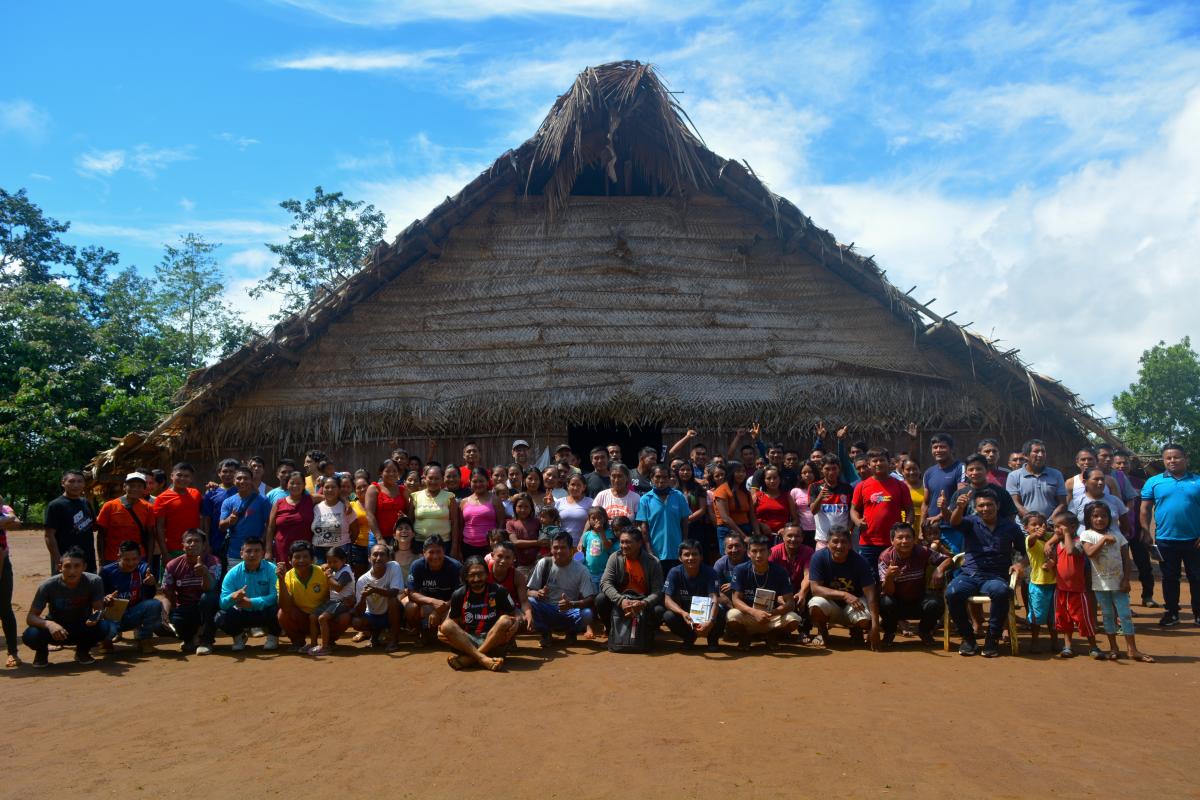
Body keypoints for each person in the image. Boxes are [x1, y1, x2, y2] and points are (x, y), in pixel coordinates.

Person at [944, 487, 1027, 657]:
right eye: (981, 506)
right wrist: (959, 507)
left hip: (996, 576)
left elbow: (1026, 552)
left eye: (989, 505)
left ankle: (992, 639)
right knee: (953, 593)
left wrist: (1020, 565)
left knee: (1001, 592)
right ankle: (968, 639)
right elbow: (954, 523)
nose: (985, 509)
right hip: (970, 574)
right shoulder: (970, 522)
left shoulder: (1010, 527)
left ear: (997, 505)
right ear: (976, 507)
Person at [1079, 502, 1154, 662]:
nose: (1100, 519)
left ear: (1109, 518)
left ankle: (1132, 649)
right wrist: (1104, 539)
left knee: (1125, 615)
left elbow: (1126, 559)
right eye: (1095, 516)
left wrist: (1126, 580)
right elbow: (1090, 553)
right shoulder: (1087, 535)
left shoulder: (1118, 535)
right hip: (1100, 584)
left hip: (1119, 583)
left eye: (1104, 516)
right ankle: (1114, 647)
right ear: (1089, 518)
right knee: (1107, 615)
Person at [1139, 443, 1200, 627]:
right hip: (1165, 539)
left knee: (1197, 577)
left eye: (1176, 457)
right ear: (1164, 460)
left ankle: (1198, 613)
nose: (1172, 460)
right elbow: (1145, 509)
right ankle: (1172, 613)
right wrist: (1145, 532)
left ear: (1185, 459)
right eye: (1168, 458)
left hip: (1195, 540)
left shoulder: (1197, 481)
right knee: (1169, 578)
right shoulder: (1154, 482)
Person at [22, 547, 106, 667]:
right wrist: (50, 625)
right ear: (60, 567)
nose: (72, 571)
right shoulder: (47, 585)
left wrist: (95, 617)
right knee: (30, 635)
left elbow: (98, 609)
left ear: (84, 567)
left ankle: (82, 651)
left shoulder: (94, 581)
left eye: (77, 566)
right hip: (56, 630)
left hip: (81, 626)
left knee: (104, 627)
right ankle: (41, 652)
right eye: (67, 566)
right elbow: (31, 617)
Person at [876, 522, 950, 647]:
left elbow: (948, 559)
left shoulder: (922, 551)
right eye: (900, 538)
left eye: (908, 537)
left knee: (936, 603)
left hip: (918, 601)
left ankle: (925, 631)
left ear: (914, 539)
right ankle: (890, 632)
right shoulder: (885, 557)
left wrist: (939, 569)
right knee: (884, 602)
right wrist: (889, 576)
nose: (905, 541)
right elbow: (888, 592)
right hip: (896, 603)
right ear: (892, 540)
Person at [440, 556, 518, 671]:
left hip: (493, 640)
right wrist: (443, 631)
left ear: (487, 574)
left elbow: (514, 614)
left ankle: (471, 658)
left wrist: (516, 622)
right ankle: (484, 658)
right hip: (468, 641)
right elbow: (452, 621)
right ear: (466, 577)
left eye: (480, 574)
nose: (476, 579)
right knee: (446, 625)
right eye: (471, 575)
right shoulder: (459, 594)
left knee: (506, 620)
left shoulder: (499, 590)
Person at [807, 527, 880, 648]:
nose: (839, 546)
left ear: (850, 544)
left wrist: (875, 627)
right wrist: (845, 595)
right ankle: (823, 632)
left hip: (854, 604)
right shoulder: (818, 557)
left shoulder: (860, 561)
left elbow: (870, 595)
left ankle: (857, 631)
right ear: (827, 542)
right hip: (830, 603)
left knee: (864, 619)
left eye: (844, 542)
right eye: (835, 541)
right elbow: (815, 589)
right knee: (815, 605)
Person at [727, 534, 803, 649]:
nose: (758, 555)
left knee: (794, 619)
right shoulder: (740, 570)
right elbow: (735, 599)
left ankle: (772, 636)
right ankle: (745, 636)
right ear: (748, 553)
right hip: (748, 616)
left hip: (771, 617)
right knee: (732, 615)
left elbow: (790, 603)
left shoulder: (780, 572)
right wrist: (754, 612)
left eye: (762, 551)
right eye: (754, 551)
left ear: (769, 553)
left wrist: (772, 613)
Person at [851, 449, 914, 575]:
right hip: (868, 542)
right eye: (874, 461)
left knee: (893, 576)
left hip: (893, 542)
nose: (878, 463)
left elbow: (909, 510)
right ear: (869, 464)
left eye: (882, 460)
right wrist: (858, 521)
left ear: (889, 462)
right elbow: (853, 510)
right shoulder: (861, 486)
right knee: (869, 577)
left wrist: (906, 526)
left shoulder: (900, 486)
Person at [526, 531, 595, 646]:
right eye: (556, 547)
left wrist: (572, 604)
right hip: (547, 609)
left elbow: (590, 598)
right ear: (551, 548)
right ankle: (545, 632)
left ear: (571, 549)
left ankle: (571, 632)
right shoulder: (544, 563)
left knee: (587, 613)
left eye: (563, 547)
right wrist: (537, 593)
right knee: (530, 601)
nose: (559, 551)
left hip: (570, 611)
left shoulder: (581, 570)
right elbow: (528, 591)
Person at [596, 526, 665, 642]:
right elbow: (605, 583)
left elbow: (658, 590)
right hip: (621, 600)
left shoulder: (653, 562)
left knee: (659, 610)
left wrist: (644, 603)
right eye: (622, 542)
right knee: (600, 599)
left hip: (643, 602)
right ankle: (610, 630)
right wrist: (621, 600)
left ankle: (647, 632)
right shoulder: (614, 558)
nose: (623, 546)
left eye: (628, 542)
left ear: (639, 543)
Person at [1043, 513, 1097, 658]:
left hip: (1078, 591)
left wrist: (1066, 533)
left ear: (1072, 527)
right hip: (1061, 590)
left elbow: (1071, 551)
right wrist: (1049, 563)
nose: (1055, 530)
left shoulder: (1079, 542)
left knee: (1084, 619)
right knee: (1064, 620)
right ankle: (1068, 646)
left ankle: (1093, 646)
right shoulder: (1057, 544)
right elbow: (1055, 560)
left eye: (1059, 526)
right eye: (1054, 527)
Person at [98, 540, 165, 654]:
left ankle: (144, 640)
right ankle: (106, 642)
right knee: (107, 627)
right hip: (113, 616)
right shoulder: (106, 572)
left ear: (140, 557)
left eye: (134, 559)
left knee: (155, 604)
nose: (131, 563)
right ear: (118, 557)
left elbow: (149, 596)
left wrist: (151, 584)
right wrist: (106, 599)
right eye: (126, 559)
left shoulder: (144, 569)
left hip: (134, 614)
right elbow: (96, 600)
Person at [162, 529, 221, 655]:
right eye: (189, 541)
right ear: (182, 545)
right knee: (161, 623)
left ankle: (206, 641)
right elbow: (167, 595)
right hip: (184, 607)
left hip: (206, 607)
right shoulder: (172, 565)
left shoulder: (213, 561)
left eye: (197, 541)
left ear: (204, 545)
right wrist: (165, 614)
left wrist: (205, 573)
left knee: (208, 598)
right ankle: (189, 638)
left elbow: (209, 588)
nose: (192, 544)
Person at [216, 536, 280, 652]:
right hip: (242, 613)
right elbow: (222, 603)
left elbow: (275, 596)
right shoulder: (232, 574)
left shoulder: (272, 569)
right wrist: (232, 597)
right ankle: (239, 636)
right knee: (220, 616)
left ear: (263, 553)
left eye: (256, 551)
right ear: (241, 553)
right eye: (248, 551)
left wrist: (252, 602)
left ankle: (273, 636)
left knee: (279, 608)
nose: (252, 555)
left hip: (265, 612)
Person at [661, 539, 725, 650]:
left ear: (701, 557)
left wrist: (711, 621)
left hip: (707, 613)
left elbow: (714, 598)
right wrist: (682, 613)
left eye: (695, 554)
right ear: (680, 558)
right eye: (686, 554)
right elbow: (667, 599)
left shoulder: (710, 572)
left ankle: (713, 640)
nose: (691, 558)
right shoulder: (674, 572)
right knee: (668, 616)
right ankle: (689, 637)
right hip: (686, 613)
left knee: (721, 612)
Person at [404, 535, 463, 642]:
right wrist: (433, 602)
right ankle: (422, 632)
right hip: (427, 604)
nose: (435, 556)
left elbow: (460, 595)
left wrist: (439, 610)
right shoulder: (417, 566)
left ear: (444, 551)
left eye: (438, 551)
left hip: (449, 605)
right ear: (424, 552)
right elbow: (411, 593)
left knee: (450, 625)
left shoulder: (455, 566)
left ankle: (446, 632)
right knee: (410, 607)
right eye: (431, 552)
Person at [276, 540, 329, 653]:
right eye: (297, 557)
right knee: (282, 614)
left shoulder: (323, 572)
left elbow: (333, 598)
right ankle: (298, 642)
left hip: (322, 618)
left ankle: (329, 642)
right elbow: (285, 607)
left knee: (343, 617)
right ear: (290, 560)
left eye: (305, 556)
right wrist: (281, 581)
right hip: (303, 619)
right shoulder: (285, 577)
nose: (301, 560)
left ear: (312, 559)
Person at [636, 464, 691, 572]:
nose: (661, 480)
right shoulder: (645, 499)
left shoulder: (678, 496)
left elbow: (685, 522)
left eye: (665, 477)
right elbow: (644, 528)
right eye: (657, 477)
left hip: (676, 550)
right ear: (651, 478)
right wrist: (649, 551)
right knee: (658, 585)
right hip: (656, 552)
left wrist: (684, 544)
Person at [96, 472, 156, 567]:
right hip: (112, 558)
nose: (135, 489)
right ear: (124, 487)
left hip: (138, 559)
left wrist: (148, 562)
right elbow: (101, 536)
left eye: (139, 486)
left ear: (144, 489)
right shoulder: (109, 506)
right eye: (131, 485)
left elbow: (150, 536)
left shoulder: (148, 508)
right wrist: (101, 562)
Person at [352, 543, 406, 649]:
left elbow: (394, 592)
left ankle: (394, 639)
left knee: (393, 601)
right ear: (369, 558)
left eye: (382, 554)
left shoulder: (394, 566)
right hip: (373, 615)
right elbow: (359, 612)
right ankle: (374, 636)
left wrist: (374, 590)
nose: (378, 558)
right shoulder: (362, 580)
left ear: (388, 558)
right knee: (356, 622)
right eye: (375, 554)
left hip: (390, 613)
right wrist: (363, 597)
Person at [44, 469, 98, 573]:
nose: (76, 485)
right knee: (65, 588)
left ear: (84, 484)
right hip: (67, 560)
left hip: (87, 559)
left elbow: (94, 526)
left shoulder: (85, 502)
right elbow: (49, 535)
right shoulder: (55, 505)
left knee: (88, 587)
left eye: (79, 481)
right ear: (63, 483)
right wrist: (58, 559)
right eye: (71, 481)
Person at [218, 466, 272, 567]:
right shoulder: (228, 502)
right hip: (235, 553)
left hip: (257, 552)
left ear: (251, 481)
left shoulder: (263, 501)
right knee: (236, 582)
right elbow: (221, 527)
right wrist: (230, 520)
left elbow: (270, 525)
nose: (242, 481)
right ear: (234, 481)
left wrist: (264, 544)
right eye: (239, 478)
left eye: (246, 478)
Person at [920, 433, 966, 553]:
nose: (938, 450)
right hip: (931, 529)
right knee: (932, 565)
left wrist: (939, 516)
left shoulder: (960, 468)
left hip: (952, 528)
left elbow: (960, 497)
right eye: (935, 447)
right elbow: (925, 503)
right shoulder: (929, 472)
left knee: (953, 562)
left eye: (942, 447)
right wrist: (921, 530)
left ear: (951, 449)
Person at [1006, 438, 1068, 526]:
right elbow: (1015, 504)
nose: (1040, 454)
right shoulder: (1014, 476)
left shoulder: (1056, 474)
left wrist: (1049, 522)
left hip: (1051, 528)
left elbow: (1062, 504)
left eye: (1043, 451)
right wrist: (1034, 523)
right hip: (1025, 530)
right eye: (1036, 451)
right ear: (1026, 456)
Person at [153, 462, 203, 568]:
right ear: (172, 476)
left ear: (191, 479)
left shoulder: (196, 494)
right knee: (171, 582)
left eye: (186, 476)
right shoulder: (162, 498)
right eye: (179, 475)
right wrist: (165, 552)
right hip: (172, 549)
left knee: (194, 580)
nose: (182, 479)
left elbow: (201, 519)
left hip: (195, 547)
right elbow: (159, 527)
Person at [1022, 512, 1058, 654]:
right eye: (1033, 524)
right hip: (1038, 583)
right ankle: (1035, 640)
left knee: (1053, 616)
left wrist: (1049, 541)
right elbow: (1031, 539)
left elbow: (1058, 535)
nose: (1037, 527)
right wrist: (1037, 534)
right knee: (1036, 615)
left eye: (1041, 524)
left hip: (1055, 583)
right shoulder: (1029, 540)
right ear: (1026, 528)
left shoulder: (1049, 537)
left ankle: (1054, 641)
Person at [769, 525, 814, 641]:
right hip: (779, 591)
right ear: (783, 537)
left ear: (802, 538)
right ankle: (781, 629)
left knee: (809, 594)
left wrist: (802, 593)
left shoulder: (808, 551)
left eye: (797, 536)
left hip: (798, 588)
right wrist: (777, 595)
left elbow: (807, 575)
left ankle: (804, 630)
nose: (793, 539)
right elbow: (768, 577)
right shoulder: (774, 552)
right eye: (789, 536)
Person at [410, 464, 461, 559]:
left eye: (437, 478)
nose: (433, 481)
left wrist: (454, 548)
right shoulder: (415, 496)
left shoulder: (450, 497)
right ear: (425, 479)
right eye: (430, 478)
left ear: (442, 480)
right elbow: (410, 521)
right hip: (419, 544)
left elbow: (455, 523)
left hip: (444, 544)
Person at [266, 472, 315, 567]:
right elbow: (270, 528)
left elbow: (330, 496)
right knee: (283, 577)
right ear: (287, 485)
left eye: (299, 483)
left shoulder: (310, 500)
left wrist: (346, 502)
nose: (295, 486)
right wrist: (268, 551)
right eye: (292, 483)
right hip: (282, 549)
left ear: (304, 485)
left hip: (304, 552)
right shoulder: (279, 503)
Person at [459, 468, 506, 560]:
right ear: (470, 482)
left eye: (481, 481)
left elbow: (501, 523)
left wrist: (497, 543)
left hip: (489, 547)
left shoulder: (495, 500)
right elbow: (460, 526)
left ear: (488, 481)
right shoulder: (464, 502)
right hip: (467, 546)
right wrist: (458, 549)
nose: (478, 484)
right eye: (475, 481)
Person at [488, 540, 534, 633]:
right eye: (500, 556)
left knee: (523, 621)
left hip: (510, 609)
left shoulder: (518, 576)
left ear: (514, 559)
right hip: (487, 607)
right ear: (492, 555)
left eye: (508, 557)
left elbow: (524, 601)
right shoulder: (484, 572)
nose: (503, 561)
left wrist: (529, 615)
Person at [809, 454, 853, 550]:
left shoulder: (847, 488)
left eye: (834, 468)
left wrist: (848, 531)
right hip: (823, 540)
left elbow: (851, 513)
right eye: (827, 469)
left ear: (839, 469)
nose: (831, 472)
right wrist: (820, 498)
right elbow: (813, 511)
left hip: (843, 540)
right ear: (821, 469)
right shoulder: (814, 487)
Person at [201, 458, 239, 566]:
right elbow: (206, 519)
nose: (228, 474)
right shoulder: (211, 493)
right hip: (216, 540)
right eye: (225, 471)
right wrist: (207, 542)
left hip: (237, 540)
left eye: (231, 472)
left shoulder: (242, 491)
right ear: (219, 473)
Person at [712, 461, 756, 550]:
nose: (742, 474)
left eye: (743, 471)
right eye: (738, 471)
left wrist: (757, 534)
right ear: (731, 473)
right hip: (728, 531)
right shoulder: (721, 491)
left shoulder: (745, 492)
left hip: (746, 528)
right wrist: (744, 537)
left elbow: (752, 515)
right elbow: (725, 518)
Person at [310, 475, 352, 563]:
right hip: (318, 551)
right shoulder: (315, 507)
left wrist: (344, 541)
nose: (330, 490)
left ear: (339, 489)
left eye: (333, 487)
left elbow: (355, 530)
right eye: (327, 487)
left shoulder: (345, 508)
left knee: (339, 575)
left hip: (340, 551)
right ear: (322, 489)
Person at [0, 497, 21, 667]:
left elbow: (15, 522)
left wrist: (5, 520)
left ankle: (13, 652)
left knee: (5, 607)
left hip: (2, 561)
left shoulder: (5, 508)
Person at [505, 492, 542, 580]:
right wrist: (537, 543)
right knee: (523, 585)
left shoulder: (537, 522)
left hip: (537, 563)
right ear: (515, 507)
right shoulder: (510, 523)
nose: (523, 510)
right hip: (520, 564)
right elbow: (515, 542)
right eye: (520, 506)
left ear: (531, 508)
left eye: (526, 507)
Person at [752, 466, 797, 536]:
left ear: (780, 479)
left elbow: (795, 520)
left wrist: (786, 529)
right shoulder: (757, 496)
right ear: (764, 480)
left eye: (775, 478)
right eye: (768, 478)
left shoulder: (787, 496)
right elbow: (750, 517)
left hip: (781, 538)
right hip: (761, 537)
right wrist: (760, 525)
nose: (772, 481)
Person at [551, 472, 592, 548]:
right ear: (568, 485)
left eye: (579, 485)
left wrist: (582, 540)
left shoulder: (590, 502)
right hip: (561, 547)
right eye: (573, 484)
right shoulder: (559, 502)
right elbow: (553, 523)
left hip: (581, 546)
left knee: (578, 560)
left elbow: (591, 521)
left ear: (584, 487)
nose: (575, 488)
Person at [713, 532, 749, 610]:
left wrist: (735, 584)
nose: (734, 550)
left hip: (749, 598)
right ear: (725, 550)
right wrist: (733, 608)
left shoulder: (751, 562)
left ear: (745, 547)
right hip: (728, 602)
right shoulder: (719, 564)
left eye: (737, 546)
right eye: (730, 547)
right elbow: (718, 590)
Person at [789, 461, 819, 547]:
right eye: (804, 472)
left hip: (820, 530)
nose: (807, 475)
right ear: (800, 475)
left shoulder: (822, 489)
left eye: (810, 472)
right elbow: (793, 514)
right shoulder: (795, 491)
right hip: (802, 531)